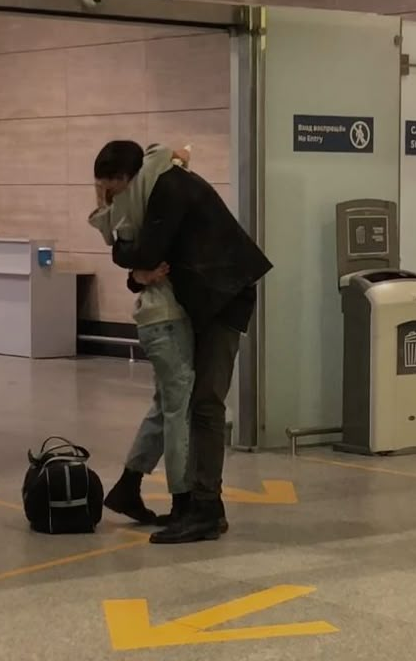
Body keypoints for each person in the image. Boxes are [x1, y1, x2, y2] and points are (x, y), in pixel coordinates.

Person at [105, 142, 272, 544]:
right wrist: (138, 271)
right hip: (207, 301)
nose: (115, 203)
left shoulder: (170, 188)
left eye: (113, 192)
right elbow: (151, 264)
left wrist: (119, 247)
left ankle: (206, 509)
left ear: (130, 179)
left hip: (224, 300)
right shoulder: (165, 185)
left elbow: (146, 251)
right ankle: (186, 501)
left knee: (206, 404)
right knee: (184, 402)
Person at [89, 142, 196, 528]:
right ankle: (182, 498)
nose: (109, 194)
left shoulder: (125, 210)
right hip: (165, 318)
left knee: (164, 405)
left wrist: (136, 275)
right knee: (177, 410)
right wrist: (180, 153)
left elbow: (120, 249)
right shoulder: (135, 205)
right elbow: (161, 154)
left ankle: (129, 485)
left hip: (157, 317)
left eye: (110, 186)